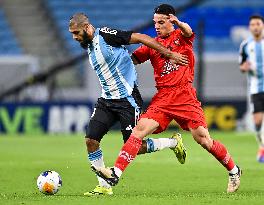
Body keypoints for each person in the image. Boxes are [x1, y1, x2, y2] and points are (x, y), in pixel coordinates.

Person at [92, 4, 242, 193]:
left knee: (203, 140)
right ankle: (116, 173)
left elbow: (188, 31)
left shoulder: (181, 37)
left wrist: (180, 23)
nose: (156, 26)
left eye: (161, 22)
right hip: (163, 97)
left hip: (184, 96)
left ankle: (234, 171)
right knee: (138, 132)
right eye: (155, 22)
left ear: (171, 21)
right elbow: (132, 61)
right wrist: (112, 56)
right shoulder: (152, 46)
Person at [69, 13, 188, 196]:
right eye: (72, 34)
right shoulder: (88, 44)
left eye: (76, 32)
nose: (74, 37)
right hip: (107, 101)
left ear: (87, 27)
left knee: (136, 147)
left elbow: (140, 37)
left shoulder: (106, 35)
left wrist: (168, 53)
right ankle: (104, 185)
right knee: (91, 140)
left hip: (127, 100)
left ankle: (173, 143)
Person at [239, 15, 264, 162]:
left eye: (258, 24)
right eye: (253, 24)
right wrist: (245, 67)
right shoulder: (246, 45)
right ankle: (262, 147)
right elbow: (242, 65)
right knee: (257, 121)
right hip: (256, 88)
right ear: (250, 27)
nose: (255, 26)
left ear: (262, 26)